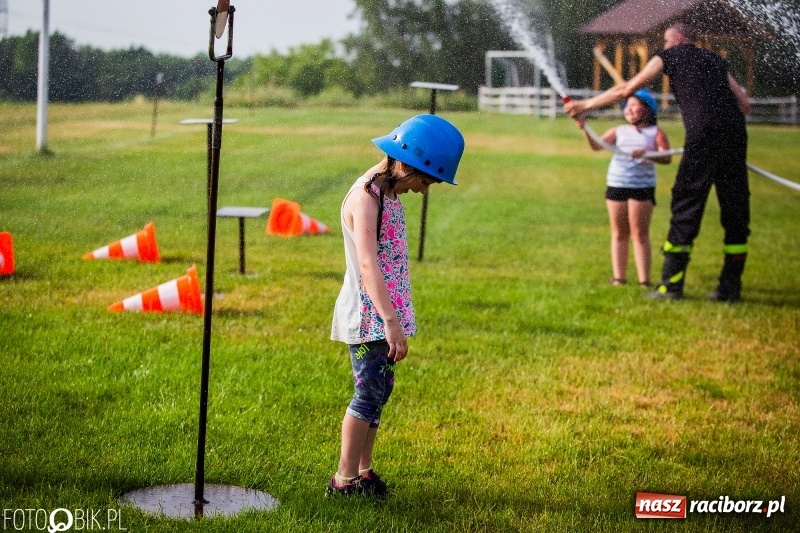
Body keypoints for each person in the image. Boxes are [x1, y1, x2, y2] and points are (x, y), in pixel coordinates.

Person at [328, 114, 465, 497]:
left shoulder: (386, 188)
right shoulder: (365, 197)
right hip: (372, 316)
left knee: (379, 393)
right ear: (407, 165)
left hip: (386, 315)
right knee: (367, 394)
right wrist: (390, 321)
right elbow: (368, 263)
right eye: (425, 181)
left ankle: (363, 470)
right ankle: (343, 479)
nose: (423, 191)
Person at [565, 23, 752, 302]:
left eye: (665, 41)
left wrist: (584, 106)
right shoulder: (716, 60)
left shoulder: (669, 56)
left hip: (702, 136)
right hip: (736, 136)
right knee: (735, 210)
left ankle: (671, 286)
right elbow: (744, 104)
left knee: (687, 206)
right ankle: (730, 288)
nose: (663, 47)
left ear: (676, 40)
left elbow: (628, 88)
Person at [576, 88, 672, 287]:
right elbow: (597, 146)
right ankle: (619, 278)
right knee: (619, 233)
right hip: (617, 184)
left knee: (640, 234)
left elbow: (667, 157)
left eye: (634, 105)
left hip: (642, 188)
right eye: (626, 106)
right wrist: (585, 128)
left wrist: (647, 153)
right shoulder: (617, 131)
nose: (629, 110)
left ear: (647, 110)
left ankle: (644, 280)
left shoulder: (655, 133)